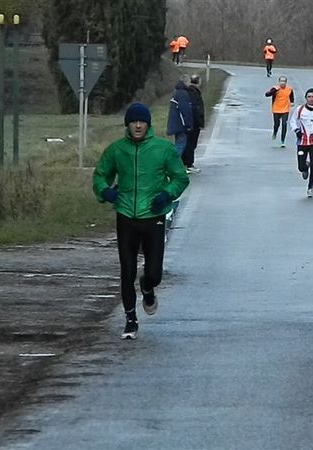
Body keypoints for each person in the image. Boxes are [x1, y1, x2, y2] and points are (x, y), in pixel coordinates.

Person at [93, 103, 190, 339]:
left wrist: (167, 194)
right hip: (126, 216)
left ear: (148, 124)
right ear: (127, 124)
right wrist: (105, 192)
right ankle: (130, 319)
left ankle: (147, 287)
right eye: (133, 121)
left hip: (153, 216)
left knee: (153, 272)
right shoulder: (117, 150)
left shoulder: (163, 149)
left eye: (142, 121)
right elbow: (100, 175)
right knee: (127, 270)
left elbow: (180, 177)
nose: (138, 125)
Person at [290, 88, 313, 198]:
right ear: (306, 98)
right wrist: (296, 130)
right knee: (301, 166)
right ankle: (304, 167)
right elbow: (293, 121)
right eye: (309, 97)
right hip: (302, 142)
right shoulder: (300, 110)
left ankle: (310, 188)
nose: (311, 99)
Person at [183, 74, 205, 174]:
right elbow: (197, 109)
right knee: (191, 144)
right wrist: (199, 122)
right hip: (193, 123)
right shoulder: (194, 93)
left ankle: (186, 163)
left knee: (189, 143)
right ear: (198, 82)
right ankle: (189, 164)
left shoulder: (190, 91)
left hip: (191, 122)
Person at [166, 77, 194, 157]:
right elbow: (185, 110)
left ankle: (173, 163)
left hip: (175, 124)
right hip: (181, 124)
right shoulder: (183, 94)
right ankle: (172, 163)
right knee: (180, 145)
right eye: (189, 82)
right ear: (186, 82)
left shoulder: (176, 92)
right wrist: (188, 125)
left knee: (178, 143)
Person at [264, 75, 294, 148]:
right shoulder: (275, 89)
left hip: (285, 110)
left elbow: (291, 96)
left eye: (284, 81)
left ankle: (282, 141)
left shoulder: (289, 89)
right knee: (276, 124)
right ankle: (275, 132)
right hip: (276, 109)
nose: (282, 83)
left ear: (286, 82)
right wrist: (274, 91)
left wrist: (292, 102)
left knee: (284, 124)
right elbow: (267, 94)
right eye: (281, 81)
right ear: (279, 82)